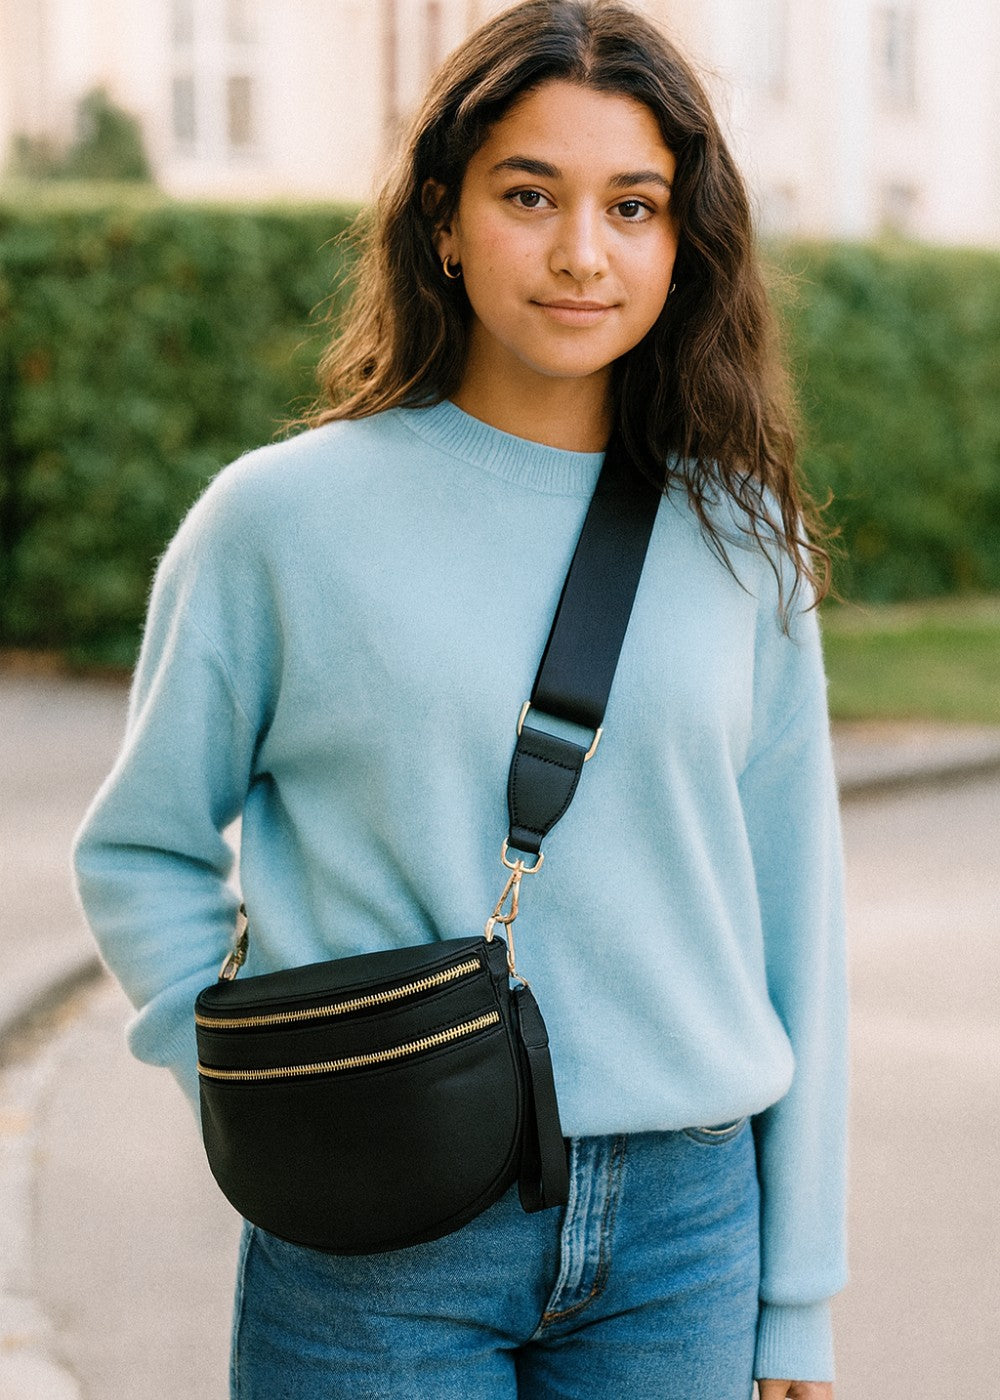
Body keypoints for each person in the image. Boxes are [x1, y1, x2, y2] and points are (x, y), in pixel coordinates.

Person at [73, 2, 847, 1397]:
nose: (581, 252)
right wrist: (258, 1088)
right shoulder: (281, 525)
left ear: (684, 245)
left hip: (684, 1237)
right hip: (380, 1237)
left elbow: (798, 923)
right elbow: (141, 848)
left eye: (634, 205)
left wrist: (797, 1293)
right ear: (443, 217)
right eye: (528, 194)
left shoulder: (742, 542)